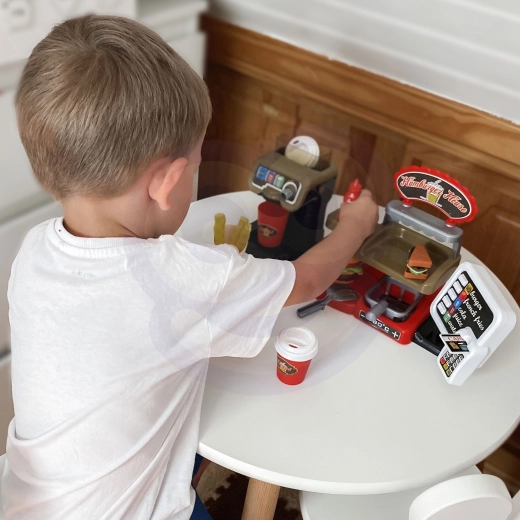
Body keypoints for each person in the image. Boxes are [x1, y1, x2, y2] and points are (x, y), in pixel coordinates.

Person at [1, 15, 378, 520]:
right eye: (195, 167)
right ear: (167, 182)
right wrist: (355, 225)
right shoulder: (186, 279)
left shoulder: (33, 252)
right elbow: (308, 280)